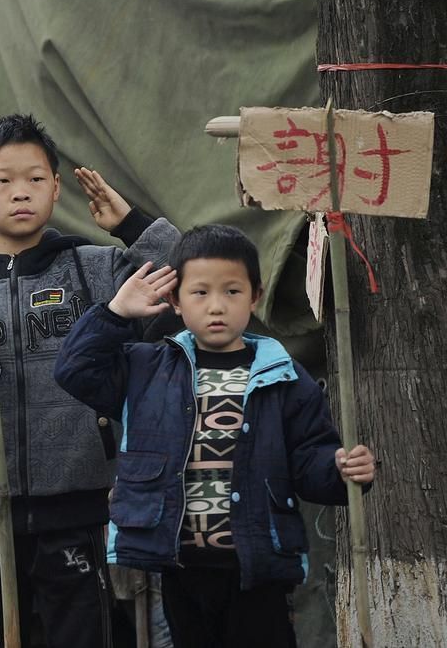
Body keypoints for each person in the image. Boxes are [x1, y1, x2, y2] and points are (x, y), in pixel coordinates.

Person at [0, 113, 180, 648]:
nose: (20, 193)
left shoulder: (96, 270)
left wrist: (131, 225)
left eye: (35, 178)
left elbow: (195, 280)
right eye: (1, 180)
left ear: (56, 187)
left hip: (74, 508)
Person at [54, 224, 376, 648]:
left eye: (232, 291)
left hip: (257, 567)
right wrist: (115, 312)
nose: (217, 306)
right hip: (179, 566)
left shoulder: (283, 376)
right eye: (200, 293)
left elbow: (309, 458)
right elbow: (75, 371)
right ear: (174, 300)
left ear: (255, 296)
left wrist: (341, 468)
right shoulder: (147, 369)